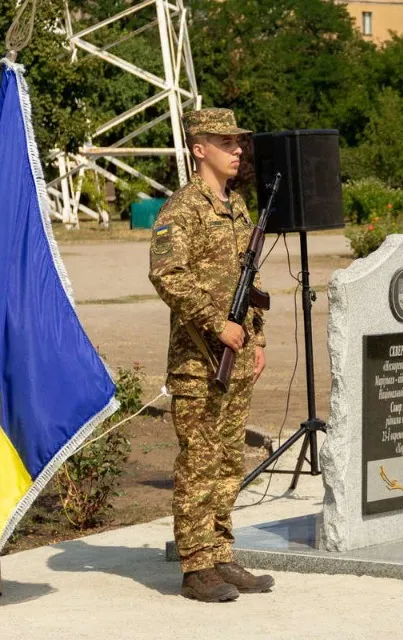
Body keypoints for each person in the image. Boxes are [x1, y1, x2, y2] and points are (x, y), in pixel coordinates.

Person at [149, 108, 275, 602]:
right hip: (199, 360)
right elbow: (167, 275)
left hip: (238, 356)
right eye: (226, 142)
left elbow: (253, 279)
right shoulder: (183, 209)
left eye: (239, 141)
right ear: (200, 149)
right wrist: (215, 322)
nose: (237, 149)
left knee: (227, 460)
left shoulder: (237, 206)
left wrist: (257, 336)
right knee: (199, 461)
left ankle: (221, 554)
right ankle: (196, 567)